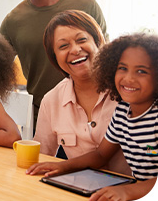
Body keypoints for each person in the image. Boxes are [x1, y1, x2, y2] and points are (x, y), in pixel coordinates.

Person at [27, 33, 158, 201]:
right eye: (122, 68)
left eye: (141, 71)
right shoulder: (122, 112)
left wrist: (128, 191)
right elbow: (101, 155)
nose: (129, 78)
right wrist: (63, 166)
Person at [0, 0, 108, 127]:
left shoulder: (87, 6)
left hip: (95, 110)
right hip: (43, 113)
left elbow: (107, 57)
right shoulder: (12, 21)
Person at [33, 10, 131, 175]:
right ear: (54, 57)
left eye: (82, 40)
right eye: (63, 46)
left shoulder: (128, 88)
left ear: (98, 42)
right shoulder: (51, 100)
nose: (75, 50)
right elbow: (42, 155)